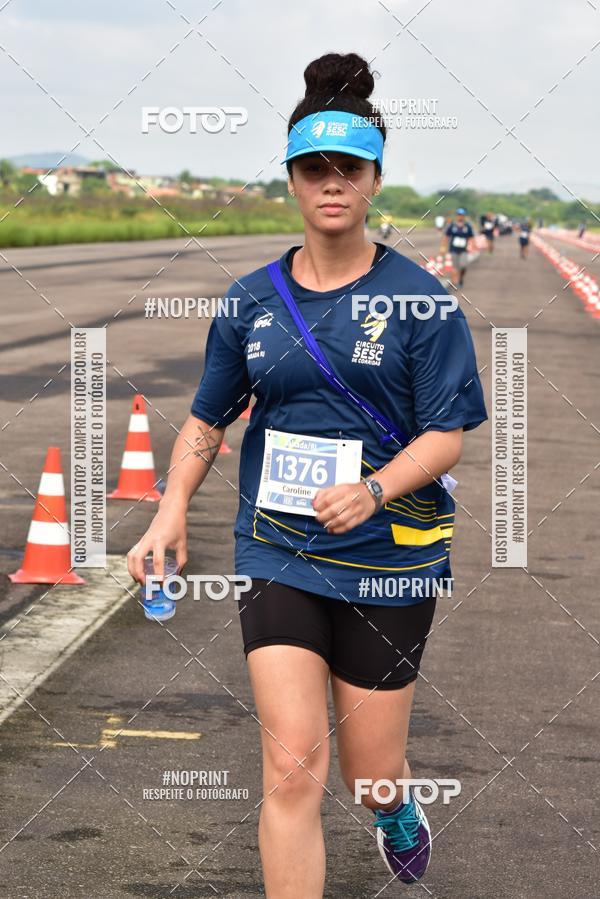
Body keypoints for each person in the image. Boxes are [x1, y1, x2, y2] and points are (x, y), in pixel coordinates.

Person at [127, 51, 487, 897]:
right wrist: (169, 507)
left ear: (374, 179)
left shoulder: (421, 303)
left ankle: (395, 807)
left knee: (368, 774)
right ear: (290, 179)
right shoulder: (250, 300)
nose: (332, 184)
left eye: (349, 169)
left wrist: (370, 488)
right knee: (293, 768)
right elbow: (208, 420)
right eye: (313, 169)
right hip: (278, 548)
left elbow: (447, 437)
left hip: (389, 560)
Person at [441, 208, 475, 287]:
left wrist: (473, 246)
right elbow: (446, 237)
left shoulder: (467, 226)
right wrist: (443, 247)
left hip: (463, 250)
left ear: (464, 216)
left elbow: (471, 237)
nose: (460, 217)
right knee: (455, 266)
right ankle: (454, 282)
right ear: (457, 216)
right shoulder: (452, 226)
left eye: (462, 215)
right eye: (459, 215)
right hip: (453, 249)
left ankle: (461, 278)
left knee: (463, 265)